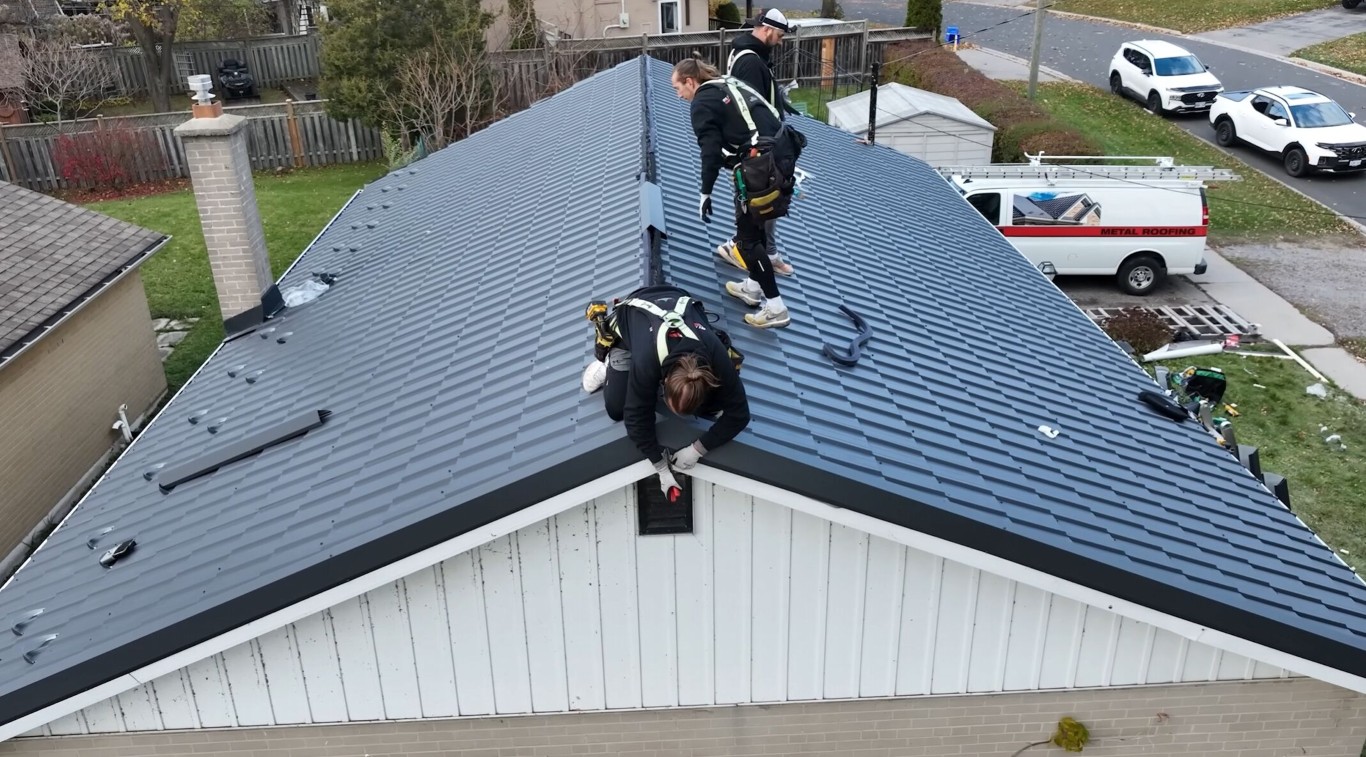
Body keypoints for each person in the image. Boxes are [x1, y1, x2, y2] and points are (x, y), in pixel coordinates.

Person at [581, 285, 751, 498]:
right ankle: (606, 363)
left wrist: (697, 450)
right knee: (617, 408)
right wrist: (660, 467)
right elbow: (636, 420)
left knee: (712, 408)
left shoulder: (715, 352)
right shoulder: (646, 362)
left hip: (679, 300)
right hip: (633, 321)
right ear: (665, 383)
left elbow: (740, 414)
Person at [671, 57, 801, 330]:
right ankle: (752, 288)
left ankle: (776, 307)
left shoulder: (702, 103)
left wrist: (705, 192)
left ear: (690, 82)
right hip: (782, 154)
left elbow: (710, 152)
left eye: (678, 88)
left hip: (759, 167)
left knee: (746, 241)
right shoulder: (728, 84)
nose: (679, 95)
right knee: (754, 230)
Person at [716, 7, 801, 278]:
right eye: (779, 34)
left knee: (769, 198)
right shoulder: (750, 61)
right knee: (762, 198)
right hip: (758, 144)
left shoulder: (749, 55)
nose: (781, 40)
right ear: (766, 29)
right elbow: (749, 106)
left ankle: (768, 252)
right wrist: (760, 147)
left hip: (761, 142)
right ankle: (741, 248)